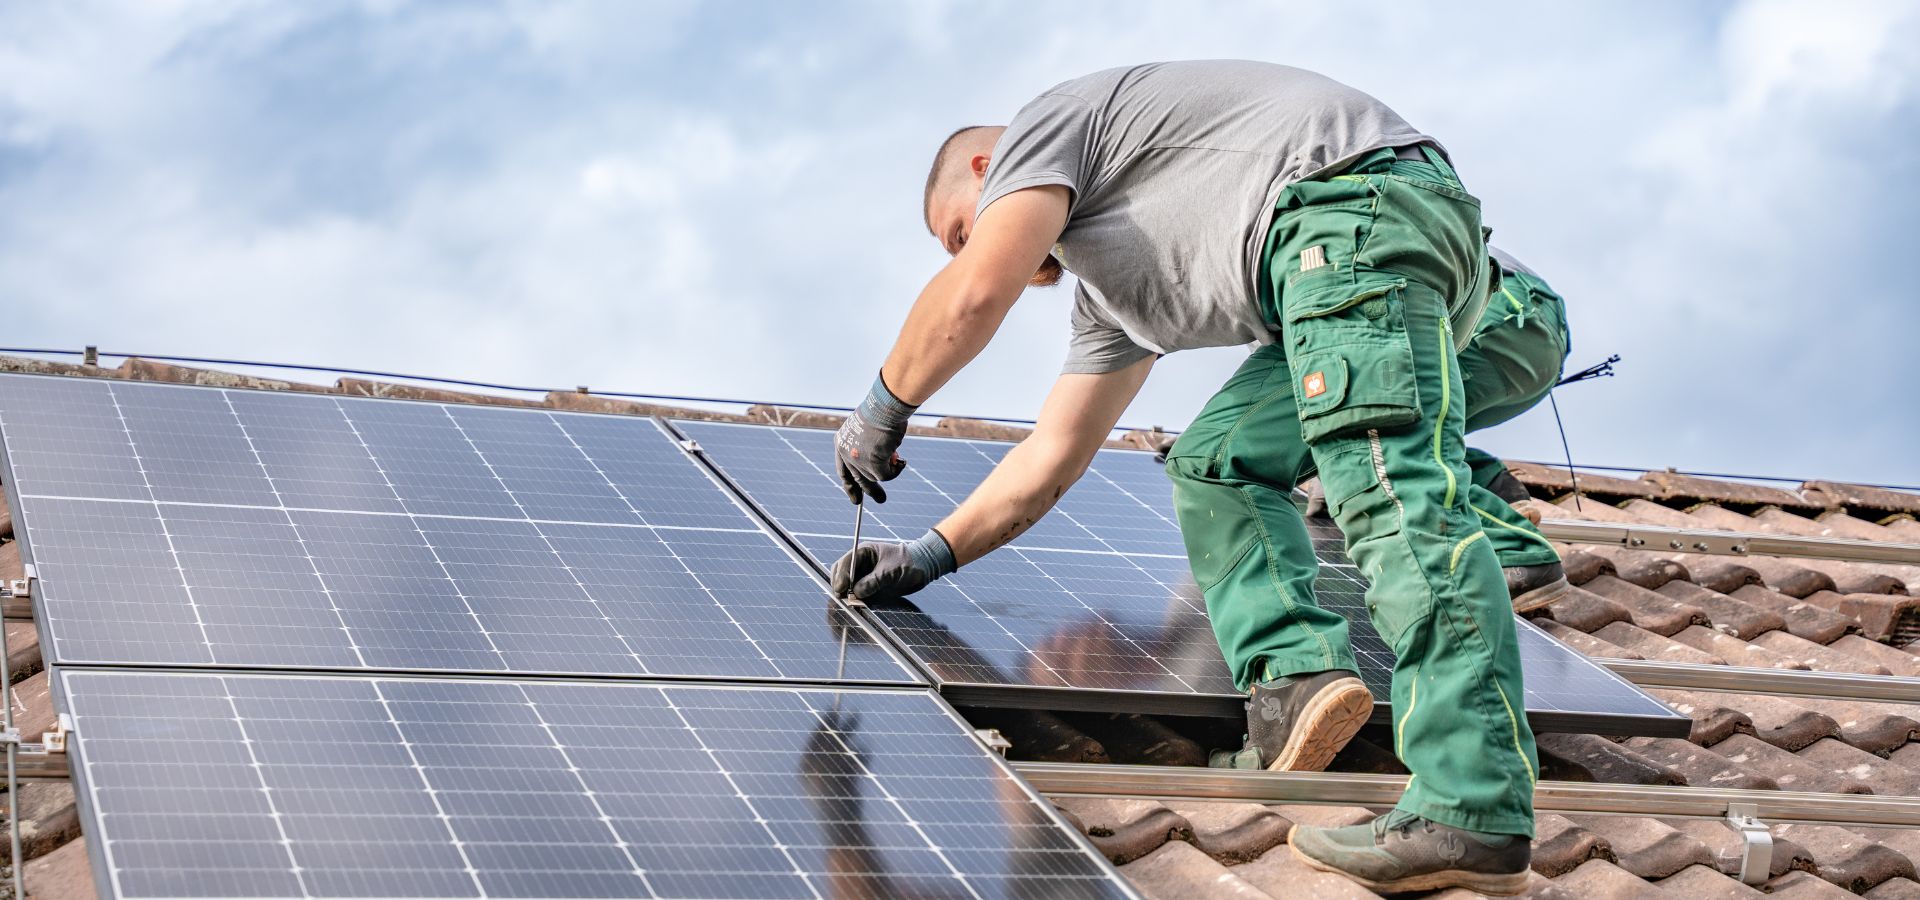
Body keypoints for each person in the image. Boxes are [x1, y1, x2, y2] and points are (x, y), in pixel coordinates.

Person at [828, 61, 1534, 894]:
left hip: (1353, 218)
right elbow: (1051, 457)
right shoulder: (1115, 299)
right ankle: (1297, 676)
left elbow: (974, 295)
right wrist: (929, 555)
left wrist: (885, 403)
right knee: (1214, 462)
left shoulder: (1044, 127)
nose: (972, 251)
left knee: (1386, 496)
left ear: (990, 169)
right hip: (1353, 257)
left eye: (959, 232)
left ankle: (1472, 805)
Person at [1459, 246, 1574, 611]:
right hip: (1537, 323)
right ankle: (1495, 487)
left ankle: (1519, 553)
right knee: (1417, 432)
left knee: (1371, 448)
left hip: (1493, 314)